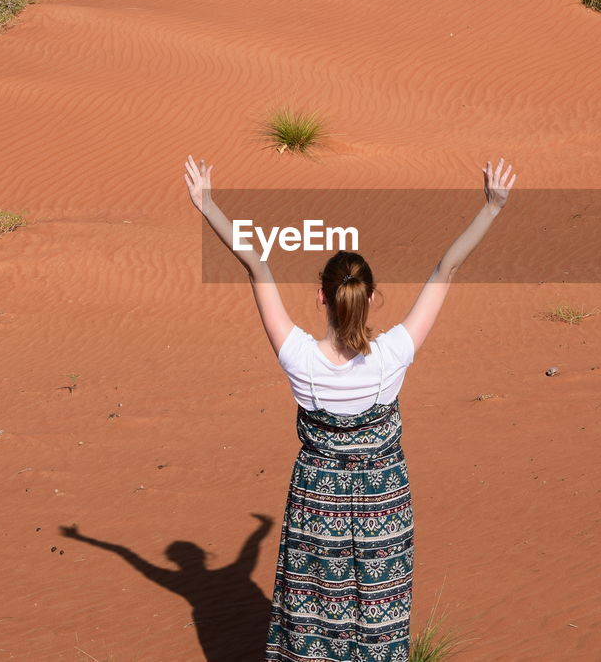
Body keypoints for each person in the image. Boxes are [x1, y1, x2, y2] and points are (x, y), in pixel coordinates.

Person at [184, 155, 516, 662]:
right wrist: (492, 207)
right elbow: (446, 267)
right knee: (378, 616)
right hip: (384, 507)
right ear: (371, 297)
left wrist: (208, 205)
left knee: (314, 615)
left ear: (322, 296)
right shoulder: (392, 356)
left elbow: (256, 263)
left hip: (317, 508)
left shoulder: (299, 358)